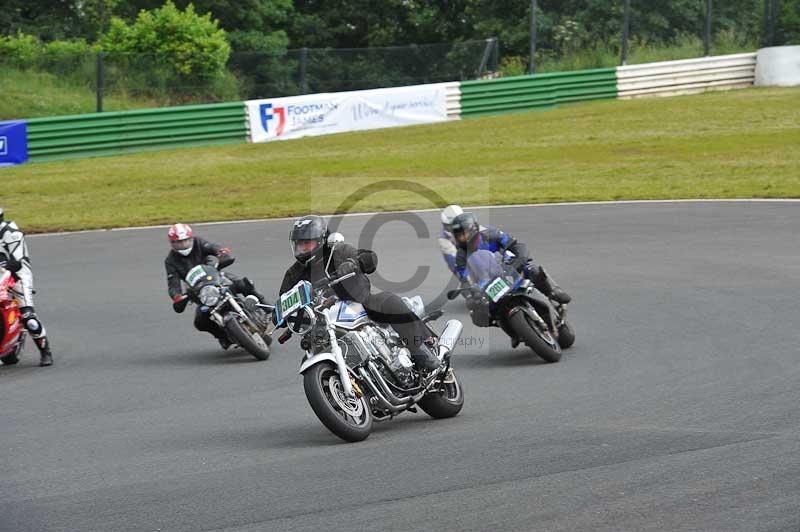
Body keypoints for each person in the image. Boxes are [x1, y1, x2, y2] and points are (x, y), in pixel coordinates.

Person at [278, 215, 442, 371]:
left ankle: (421, 348)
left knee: (388, 301)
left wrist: (352, 263)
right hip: (322, 322)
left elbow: (369, 258)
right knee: (310, 354)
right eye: (299, 244)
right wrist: (278, 314)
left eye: (307, 243)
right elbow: (283, 301)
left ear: (321, 240)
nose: (303, 248)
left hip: (360, 304)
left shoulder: (337, 251)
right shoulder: (294, 274)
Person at [165, 223, 269, 349]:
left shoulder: (198, 243)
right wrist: (177, 296)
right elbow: (173, 283)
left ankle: (265, 305)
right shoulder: (171, 261)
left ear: (191, 239)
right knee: (200, 321)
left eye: (185, 241)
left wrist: (221, 253)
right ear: (172, 244)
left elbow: (212, 247)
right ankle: (223, 336)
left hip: (215, 277)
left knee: (242, 283)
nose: (182, 245)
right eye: (178, 243)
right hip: (198, 291)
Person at [449, 212, 572, 304]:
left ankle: (554, 291)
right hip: (487, 283)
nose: (461, 238)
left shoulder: (491, 234)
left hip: (509, 266)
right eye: (458, 236)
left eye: (463, 234)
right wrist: (472, 292)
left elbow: (515, 244)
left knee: (532, 270)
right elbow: (464, 278)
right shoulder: (461, 256)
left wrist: (521, 258)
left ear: (473, 229)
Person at [0, 207, 54, 366]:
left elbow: (17, 262)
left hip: (18, 276)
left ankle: (45, 351)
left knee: (28, 317)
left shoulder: (12, 234)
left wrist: (3, 267)